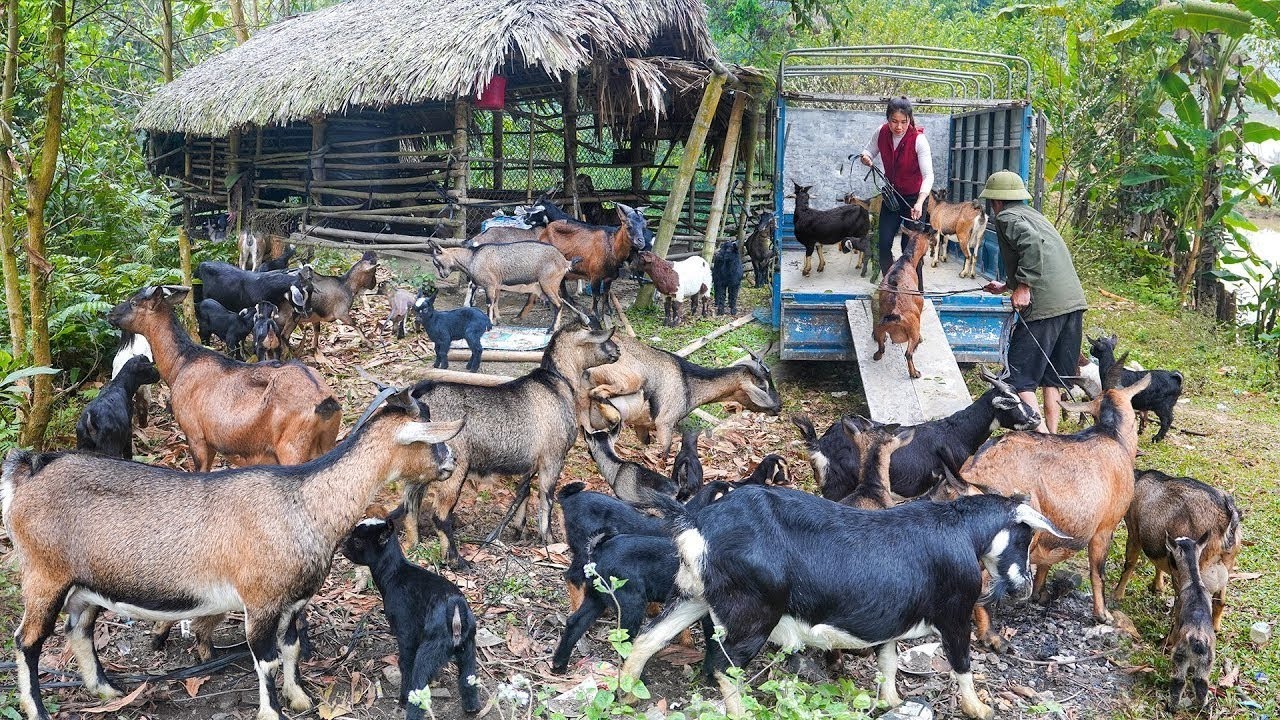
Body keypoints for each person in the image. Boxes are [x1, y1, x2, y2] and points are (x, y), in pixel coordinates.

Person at [979, 170, 1087, 434]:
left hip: (1045, 308)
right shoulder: (1034, 215)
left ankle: (1042, 441)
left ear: (995, 202)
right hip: (1072, 304)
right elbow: (1043, 252)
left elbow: (1031, 245)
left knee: (1019, 376)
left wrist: (1024, 287)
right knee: (1053, 377)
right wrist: (1008, 285)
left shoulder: (1006, 217)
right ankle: (1053, 433)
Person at [858, 96, 934, 285]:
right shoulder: (881, 132)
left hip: (915, 199)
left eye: (903, 122)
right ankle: (890, 286)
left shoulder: (919, 140)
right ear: (888, 119)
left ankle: (917, 293)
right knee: (883, 243)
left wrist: (919, 202)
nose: (898, 127)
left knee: (909, 250)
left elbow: (928, 176)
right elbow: (868, 151)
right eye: (894, 121)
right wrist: (866, 157)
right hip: (892, 197)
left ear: (910, 119)